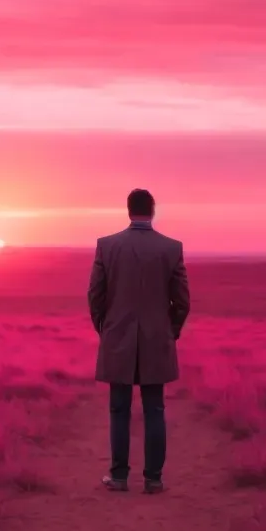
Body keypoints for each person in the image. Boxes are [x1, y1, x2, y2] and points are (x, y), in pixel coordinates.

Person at [88, 188, 190, 494]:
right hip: (156, 339)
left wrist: (105, 329)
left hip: (117, 337)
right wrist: (170, 330)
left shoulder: (107, 246)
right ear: (153, 210)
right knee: (154, 408)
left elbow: (95, 296)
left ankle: (119, 477)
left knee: (118, 408)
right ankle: (153, 478)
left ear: (128, 210)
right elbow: (182, 301)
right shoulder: (171, 248)